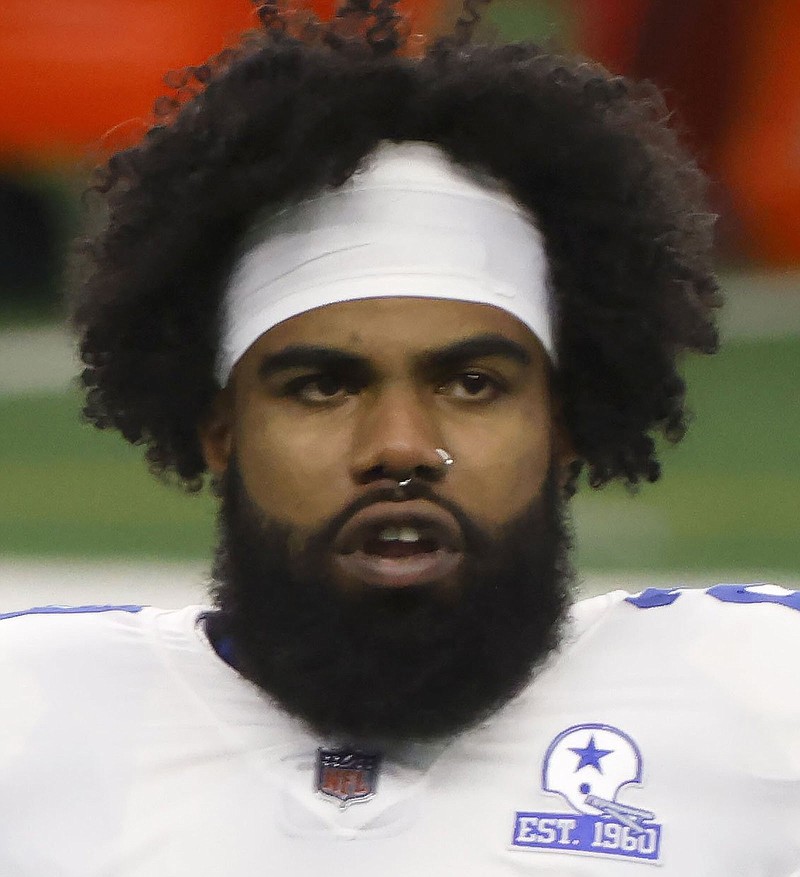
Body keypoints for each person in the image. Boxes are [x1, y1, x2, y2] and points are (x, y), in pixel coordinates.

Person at [2, 2, 798, 874]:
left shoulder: (760, 700)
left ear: (562, 422)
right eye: (323, 386)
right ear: (221, 429)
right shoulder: (30, 719)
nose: (401, 445)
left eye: (472, 384)